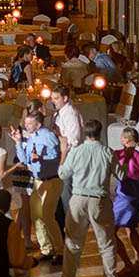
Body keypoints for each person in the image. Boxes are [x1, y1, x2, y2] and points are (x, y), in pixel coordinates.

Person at [55, 118, 120, 277]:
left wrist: (63, 153)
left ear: (85, 133)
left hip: (78, 199)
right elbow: (123, 175)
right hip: (100, 200)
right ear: (100, 132)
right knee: (106, 243)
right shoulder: (107, 152)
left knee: (73, 241)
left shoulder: (76, 151)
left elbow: (62, 174)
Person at [10, 110, 63, 263]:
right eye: (25, 123)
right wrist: (18, 142)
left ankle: (59, 251)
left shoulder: (48, 136)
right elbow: (25, 160)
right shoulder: (31, 138)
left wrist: (41, 157)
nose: (25, 126)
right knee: (36, 216)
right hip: (37, 181)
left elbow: (56, 156)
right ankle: (46, 248)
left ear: (38, 124)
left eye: (29, 123)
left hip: (51, 180)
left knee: (47, 216)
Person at [112, 125, 139, 277]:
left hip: (125, 193)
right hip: (138, 192)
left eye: (122, 137)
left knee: (111, 231)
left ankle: (128, 264)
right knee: (131, 228)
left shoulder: (118, 154)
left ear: (125, 140)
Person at [51, 84, 84, 242]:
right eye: (52, 99)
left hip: (69, 157)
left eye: (56, 98)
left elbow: (74, 139)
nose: (54, 101)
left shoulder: (70, 113)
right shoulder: (61, 112)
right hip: (62, 154)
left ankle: (71, 230)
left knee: (66, 194)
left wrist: (63, 151)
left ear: (65, 98)